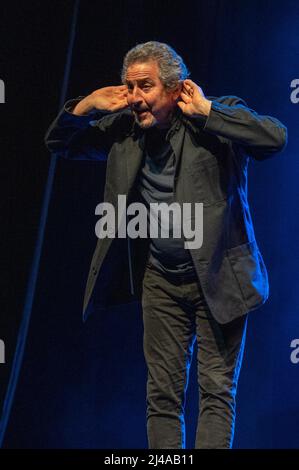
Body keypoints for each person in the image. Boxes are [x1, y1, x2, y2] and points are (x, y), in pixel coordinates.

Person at [45, 41, 287, 449]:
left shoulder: (214, 116)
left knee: (216, 392)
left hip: (220, 278)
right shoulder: (125, 128)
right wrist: (85, 105)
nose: (136, 98)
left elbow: (274, 138)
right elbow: (60, 144)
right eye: (130, 87)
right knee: (162, 397)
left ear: (175, 89)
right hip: (161, 281)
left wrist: (210, 113)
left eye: (146, 86)